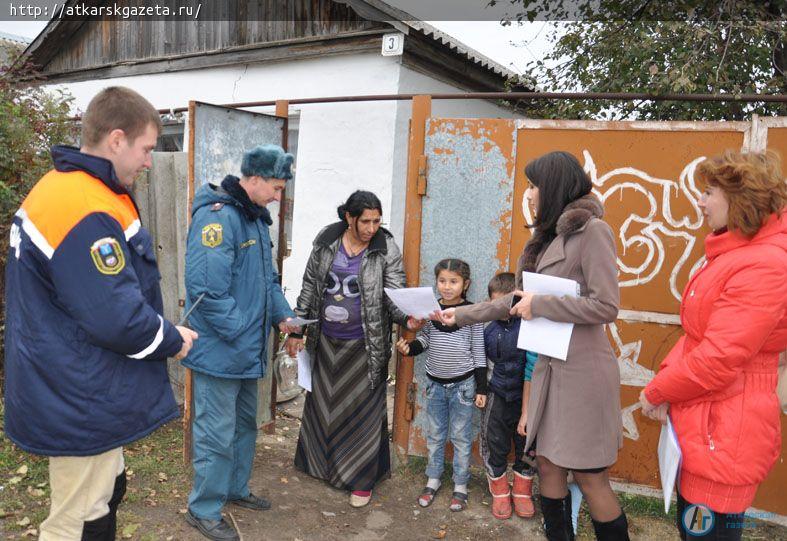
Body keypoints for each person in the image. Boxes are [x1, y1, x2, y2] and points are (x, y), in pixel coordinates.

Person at [4, 86, 197, 540]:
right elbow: (117, 317)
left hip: (77, 382)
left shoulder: (70, 188)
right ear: (116, 140)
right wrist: (173, 339)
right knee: (75, 518)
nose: (150, 160)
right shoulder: (84, 206)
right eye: (147, 148)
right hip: (77, 392)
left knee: (106, 494)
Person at [435, 151, 629, 540]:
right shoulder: (548, 237)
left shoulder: (593, 232)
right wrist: (463, 315)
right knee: (548, 468)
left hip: (582, 373)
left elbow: (606, 305)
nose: (530, 193)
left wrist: (541, 305)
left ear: (553, 186)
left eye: (535, 185)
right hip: (548, 370)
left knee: (590, 478)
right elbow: (516, 299)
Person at [640, 150, 787, 541]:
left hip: (725, 433)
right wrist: (670, 384)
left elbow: (718, 358)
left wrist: (657, 390)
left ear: (740, 198)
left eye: (709, 192)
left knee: (707, 532)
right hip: (709, 422)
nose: (701, 201)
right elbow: (697, 337)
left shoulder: (762, 265)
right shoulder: (735, 253)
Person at [183, 144, 299, 541]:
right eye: (276, 188)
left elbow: (267, 282)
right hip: (221, 350)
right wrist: (244, 331)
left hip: (244, 350)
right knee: (215, 432)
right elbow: (205, 292)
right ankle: (202, 508)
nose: (278, 196)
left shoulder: (254, 220)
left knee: (244, 425)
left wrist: (283, 316)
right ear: (253, 180)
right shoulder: (218, 219)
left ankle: (233, 488)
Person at [286, 190, 421, 508]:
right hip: (325, 340)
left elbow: (394, 294)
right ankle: (321, 467)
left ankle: (361, 481)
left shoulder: (384, 247)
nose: (372, 228)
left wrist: (408, 318)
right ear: (349, 217)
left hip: (365, 345)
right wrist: (296, 329)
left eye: (377, 221)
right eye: (365, 221)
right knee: (322, 406)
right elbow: (310, 285)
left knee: (362, 414)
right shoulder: (327, 239)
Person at [396, 259, 487, 512]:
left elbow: (479, 353)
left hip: (463, 387)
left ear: (465, 284)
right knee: (435, 436)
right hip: (434, 385)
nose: (447, 287)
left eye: (454, 281)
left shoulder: (472, 314)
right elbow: (424, 341)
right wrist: (409, 348)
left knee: (460, 437)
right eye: (442, 281)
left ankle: (460, 485)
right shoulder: (431, 311)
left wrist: (482, 388)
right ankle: (433, 479)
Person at [480, 271, 537, 520]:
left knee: (528, 443)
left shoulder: (530, 327)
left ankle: (522, 491)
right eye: (496, 303)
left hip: (525, 396)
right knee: (495, 442)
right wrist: (481, 389)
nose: (502, 308)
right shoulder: (487, 329)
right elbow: (479, 363)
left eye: (507, 302)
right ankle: (500, 491)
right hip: (497, 395)